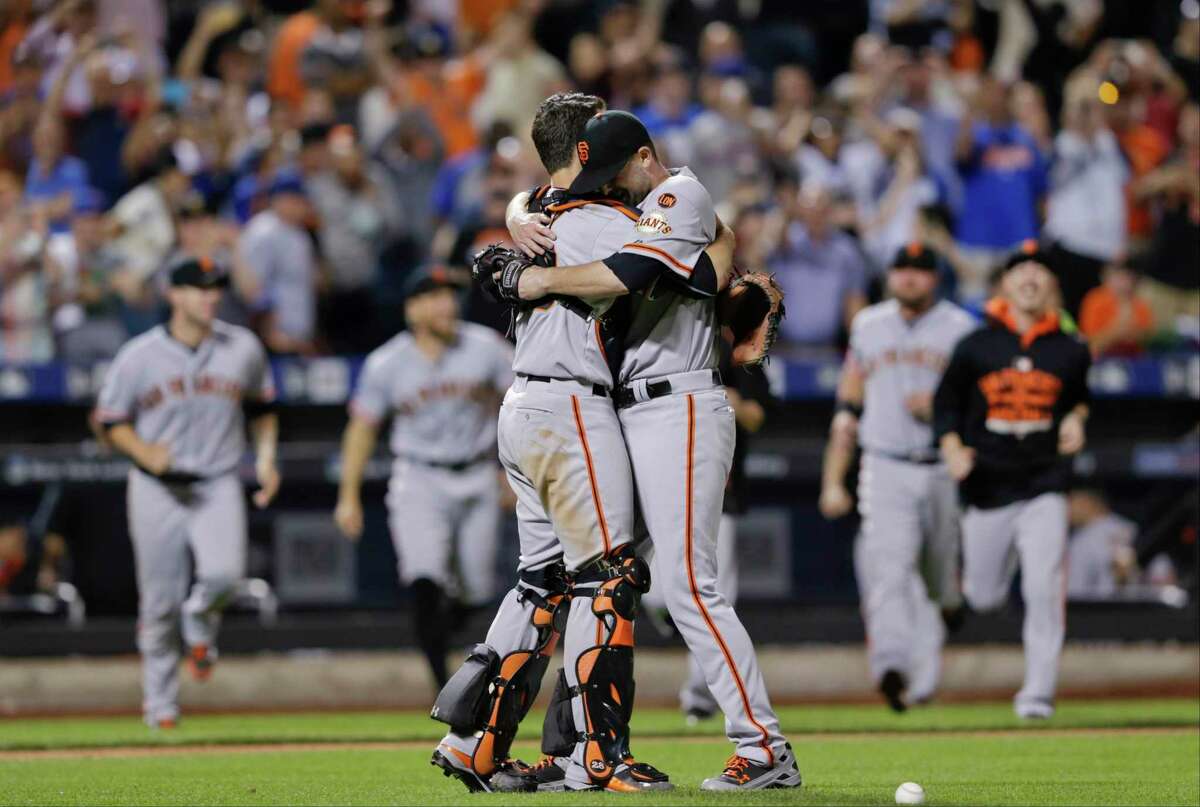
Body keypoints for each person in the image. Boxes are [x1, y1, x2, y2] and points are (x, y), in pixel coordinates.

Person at [505, 109, 801, 792]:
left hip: (681, 401)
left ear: (645, 156)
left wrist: (543, 278)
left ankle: (763, 746)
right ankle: (575, 748)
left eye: (617, 172)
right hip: (629, 408)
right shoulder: (638, 205)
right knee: (599, 579)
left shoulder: (677, 192)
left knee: (689, 585)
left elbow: (631, 271)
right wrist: (521, 207)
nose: (611, 186)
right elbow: (559, 206)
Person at [430, 93, 673, 795]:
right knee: (609, 577)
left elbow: (527, 208)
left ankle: (473, 741)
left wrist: (507, 236)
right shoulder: (605, 221)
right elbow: (642, 272)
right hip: (572, 404)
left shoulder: (541, 210)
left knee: (542, 582)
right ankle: (599, 755)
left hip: (524, 406)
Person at [92, 254, 280, 728]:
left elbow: (262, 410)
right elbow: (108, 421)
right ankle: (160, 708)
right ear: (173, 294)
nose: (209, 295)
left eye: (215, 286)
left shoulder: (243, 348)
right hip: (157, 488)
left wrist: (266, 459)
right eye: (197, 287)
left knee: (224, 577)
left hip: (216, 482)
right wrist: (139, 448)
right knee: (157, 602)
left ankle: (198, 621)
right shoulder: (139, 354)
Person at [933, 241, 1092, 720]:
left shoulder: (1071, 348)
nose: (1029, 277)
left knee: (1045, 586)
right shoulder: (976, 344)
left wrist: (1078, 418)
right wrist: (952, 447)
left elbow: (1079, 398)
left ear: (1051, 286)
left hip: (1045, 482)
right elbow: (946, 407)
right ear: (1005, 283)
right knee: (985, 597)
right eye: (1020, 269)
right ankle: (964, 581)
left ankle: (1038, 694)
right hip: (988, 488)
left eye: (1039, 271)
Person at [335, 265, 510, 691]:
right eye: (432, 295)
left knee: (475, 588)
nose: (446, 303)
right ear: (411, 309)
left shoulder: (485, 348)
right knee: (424, 576)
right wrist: (348, 495)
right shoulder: (387, 363)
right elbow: (361, 429)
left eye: (449, 294)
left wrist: (514, 471)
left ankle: (447, 626)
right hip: (419, 478)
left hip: (476, 474)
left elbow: (523, 404)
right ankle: (439, 682)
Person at [819, 243, 977, 712]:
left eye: (919, 270)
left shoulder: (961, 329)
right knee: (889, 569)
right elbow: (851, 391)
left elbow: (981, 406)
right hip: (884, 462)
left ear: (935, 278)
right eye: (902, 269)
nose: (909, 277)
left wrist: (942, 409)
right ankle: (894, 671)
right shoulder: (868, 324)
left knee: (935, 582)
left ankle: (948, 607)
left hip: (940, 465)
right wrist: (835, 472)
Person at [236, 170, 318, 355]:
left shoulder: (299, 233)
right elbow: (253, 289)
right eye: (296, 199)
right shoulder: (263, 231)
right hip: (273, 340)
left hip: (297, 339)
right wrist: (269, 331)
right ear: (281, 199)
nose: (303, 206)